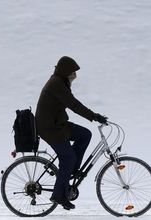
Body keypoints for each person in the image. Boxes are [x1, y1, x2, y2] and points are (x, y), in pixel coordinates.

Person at [35, 56, 108, 210]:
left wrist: (93, 116)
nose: (74, 76)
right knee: (68, 158)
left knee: (85, 134)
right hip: (49, 128)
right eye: (72, 73)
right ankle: (58, 195)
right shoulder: (56, 84)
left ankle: (70, 171)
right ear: (65, 71)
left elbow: (71, 103)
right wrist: (93, 116)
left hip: (58, 124)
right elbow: (73, 104)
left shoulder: (60, 82)